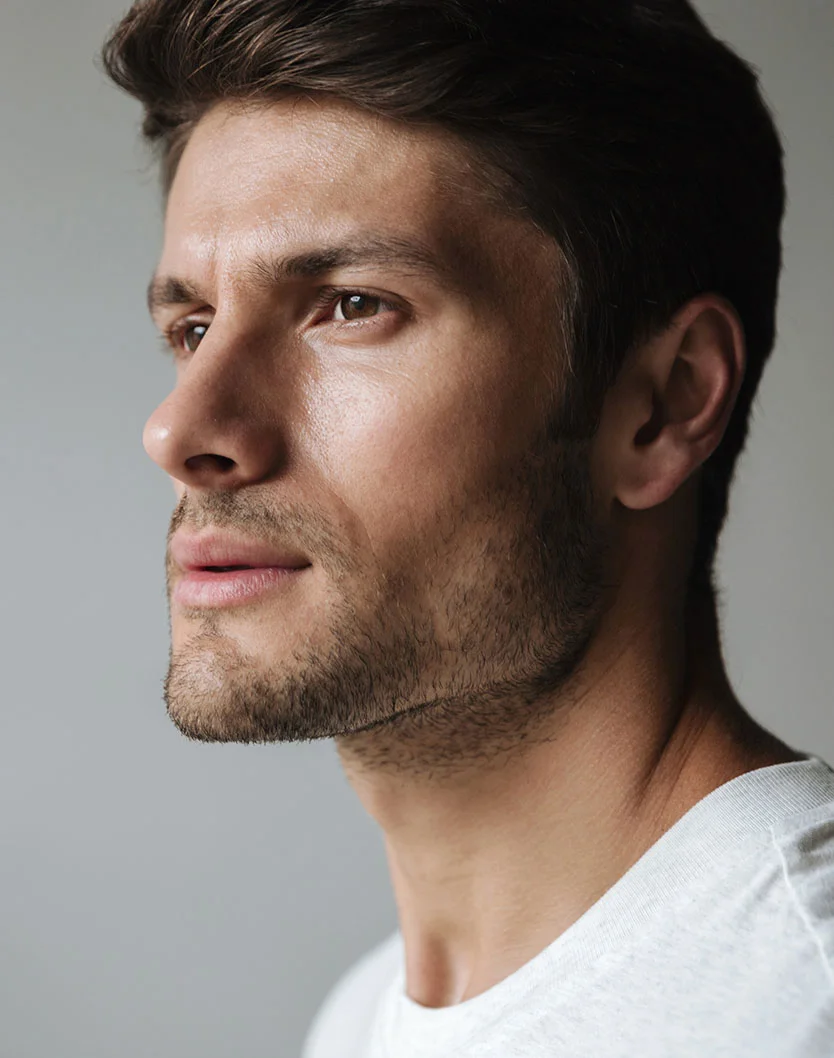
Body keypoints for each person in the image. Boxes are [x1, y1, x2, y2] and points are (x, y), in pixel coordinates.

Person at [100, 1, 834, 1055]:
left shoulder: (801, 999)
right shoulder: (361, 1018)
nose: (181, 428)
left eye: (351, 305)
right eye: (194, 326)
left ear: (663, 405)